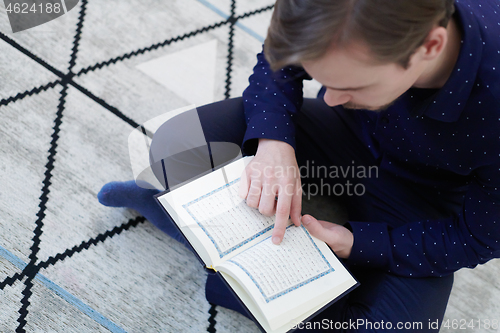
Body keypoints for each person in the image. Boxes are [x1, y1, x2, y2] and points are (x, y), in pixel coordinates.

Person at [98, 0, 500, 331]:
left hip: (421, 199)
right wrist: (274, 144)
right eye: (326, 79)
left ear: (430, 46)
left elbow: (477, 237)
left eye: (353, 86)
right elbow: (278, 60)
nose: (328, 95)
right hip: (338, 133)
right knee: (173, 147)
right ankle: (294, 281)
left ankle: (234, 262)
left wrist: (359, 244)